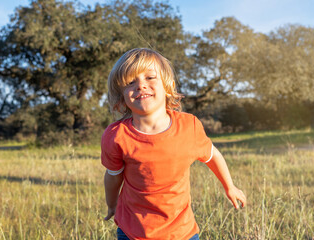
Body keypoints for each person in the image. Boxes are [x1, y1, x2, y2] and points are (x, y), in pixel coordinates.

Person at [101, 48, 246, 240]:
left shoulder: (189, 126)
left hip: (181, 231)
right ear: (122, 95)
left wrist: (230, 186)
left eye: (150, 77)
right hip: (133, 231)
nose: (141, 86)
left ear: (167, 85)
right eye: (131, 82)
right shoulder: (116, 136)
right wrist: (112, 205)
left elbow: (212, 155)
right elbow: (112, 177)